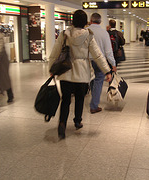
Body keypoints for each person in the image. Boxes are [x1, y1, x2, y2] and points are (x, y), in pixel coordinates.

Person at [48, 10, 112, 139]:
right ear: (85, 22)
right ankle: (77, 121)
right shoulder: (88, 36)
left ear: (73, 20)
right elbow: (98, 55)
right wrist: (107, 70)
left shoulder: (64, 35)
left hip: (65, 72)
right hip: (82, 73)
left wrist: (51, 69)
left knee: (65, 100)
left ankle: (62, 123)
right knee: (80, 98)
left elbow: (55, 52)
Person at [88, 13, 117, 114]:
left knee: (92, 79)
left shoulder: (85, 31)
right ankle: (94, 105)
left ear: (91, 20)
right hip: (99, 61)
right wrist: (113, 64)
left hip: (87, 60)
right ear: (100, 21)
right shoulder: (104, 33)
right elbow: (108, 51)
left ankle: (93, 98)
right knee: (98, 81)